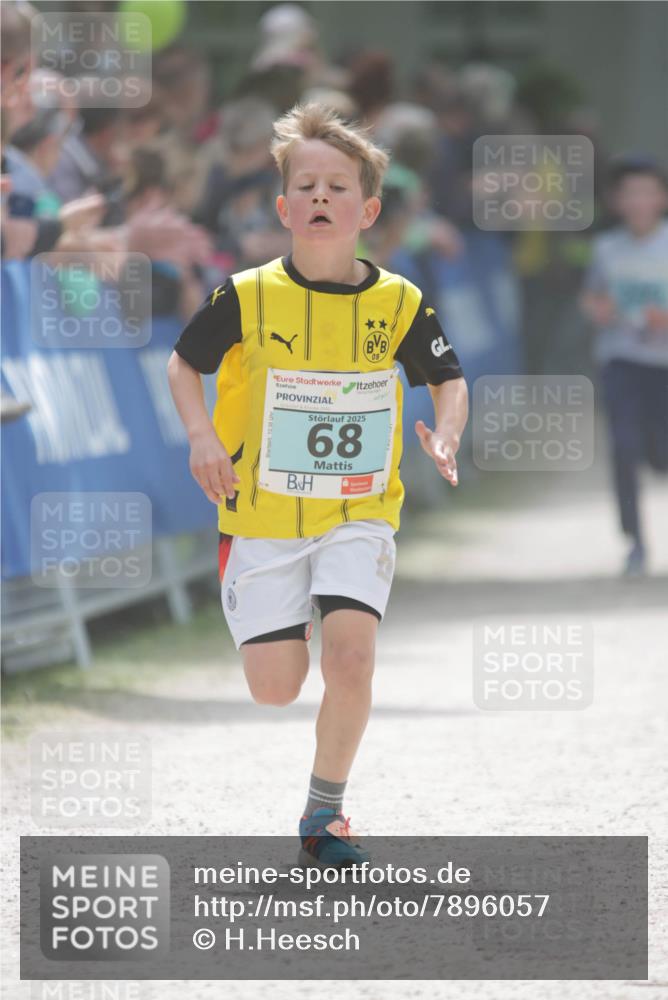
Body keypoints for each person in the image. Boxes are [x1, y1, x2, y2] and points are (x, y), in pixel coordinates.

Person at [167, 103, 468, 867]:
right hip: (262, 517)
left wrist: (448, 431)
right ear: (283, 207)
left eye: (339, 187)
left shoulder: (399, 302)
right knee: (275, 688)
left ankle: (324, 815)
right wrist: (202, 435)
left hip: (359, 511)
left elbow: (447, 378)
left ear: (367, 209)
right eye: (307, 186)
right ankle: (295, 608)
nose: (322, 198)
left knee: (352, 660)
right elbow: (184, 364)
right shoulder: (245, 294)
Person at [581, 158, 668, 576]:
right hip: (621, 360)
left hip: (663, 366)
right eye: (629, 193)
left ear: (662, 198)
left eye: (646, 192)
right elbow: (591, 297)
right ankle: (635, 542)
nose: (638, 201)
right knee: (624, 447)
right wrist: (600, 309)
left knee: (659, 453)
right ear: (618, 201)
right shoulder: (606, 248)